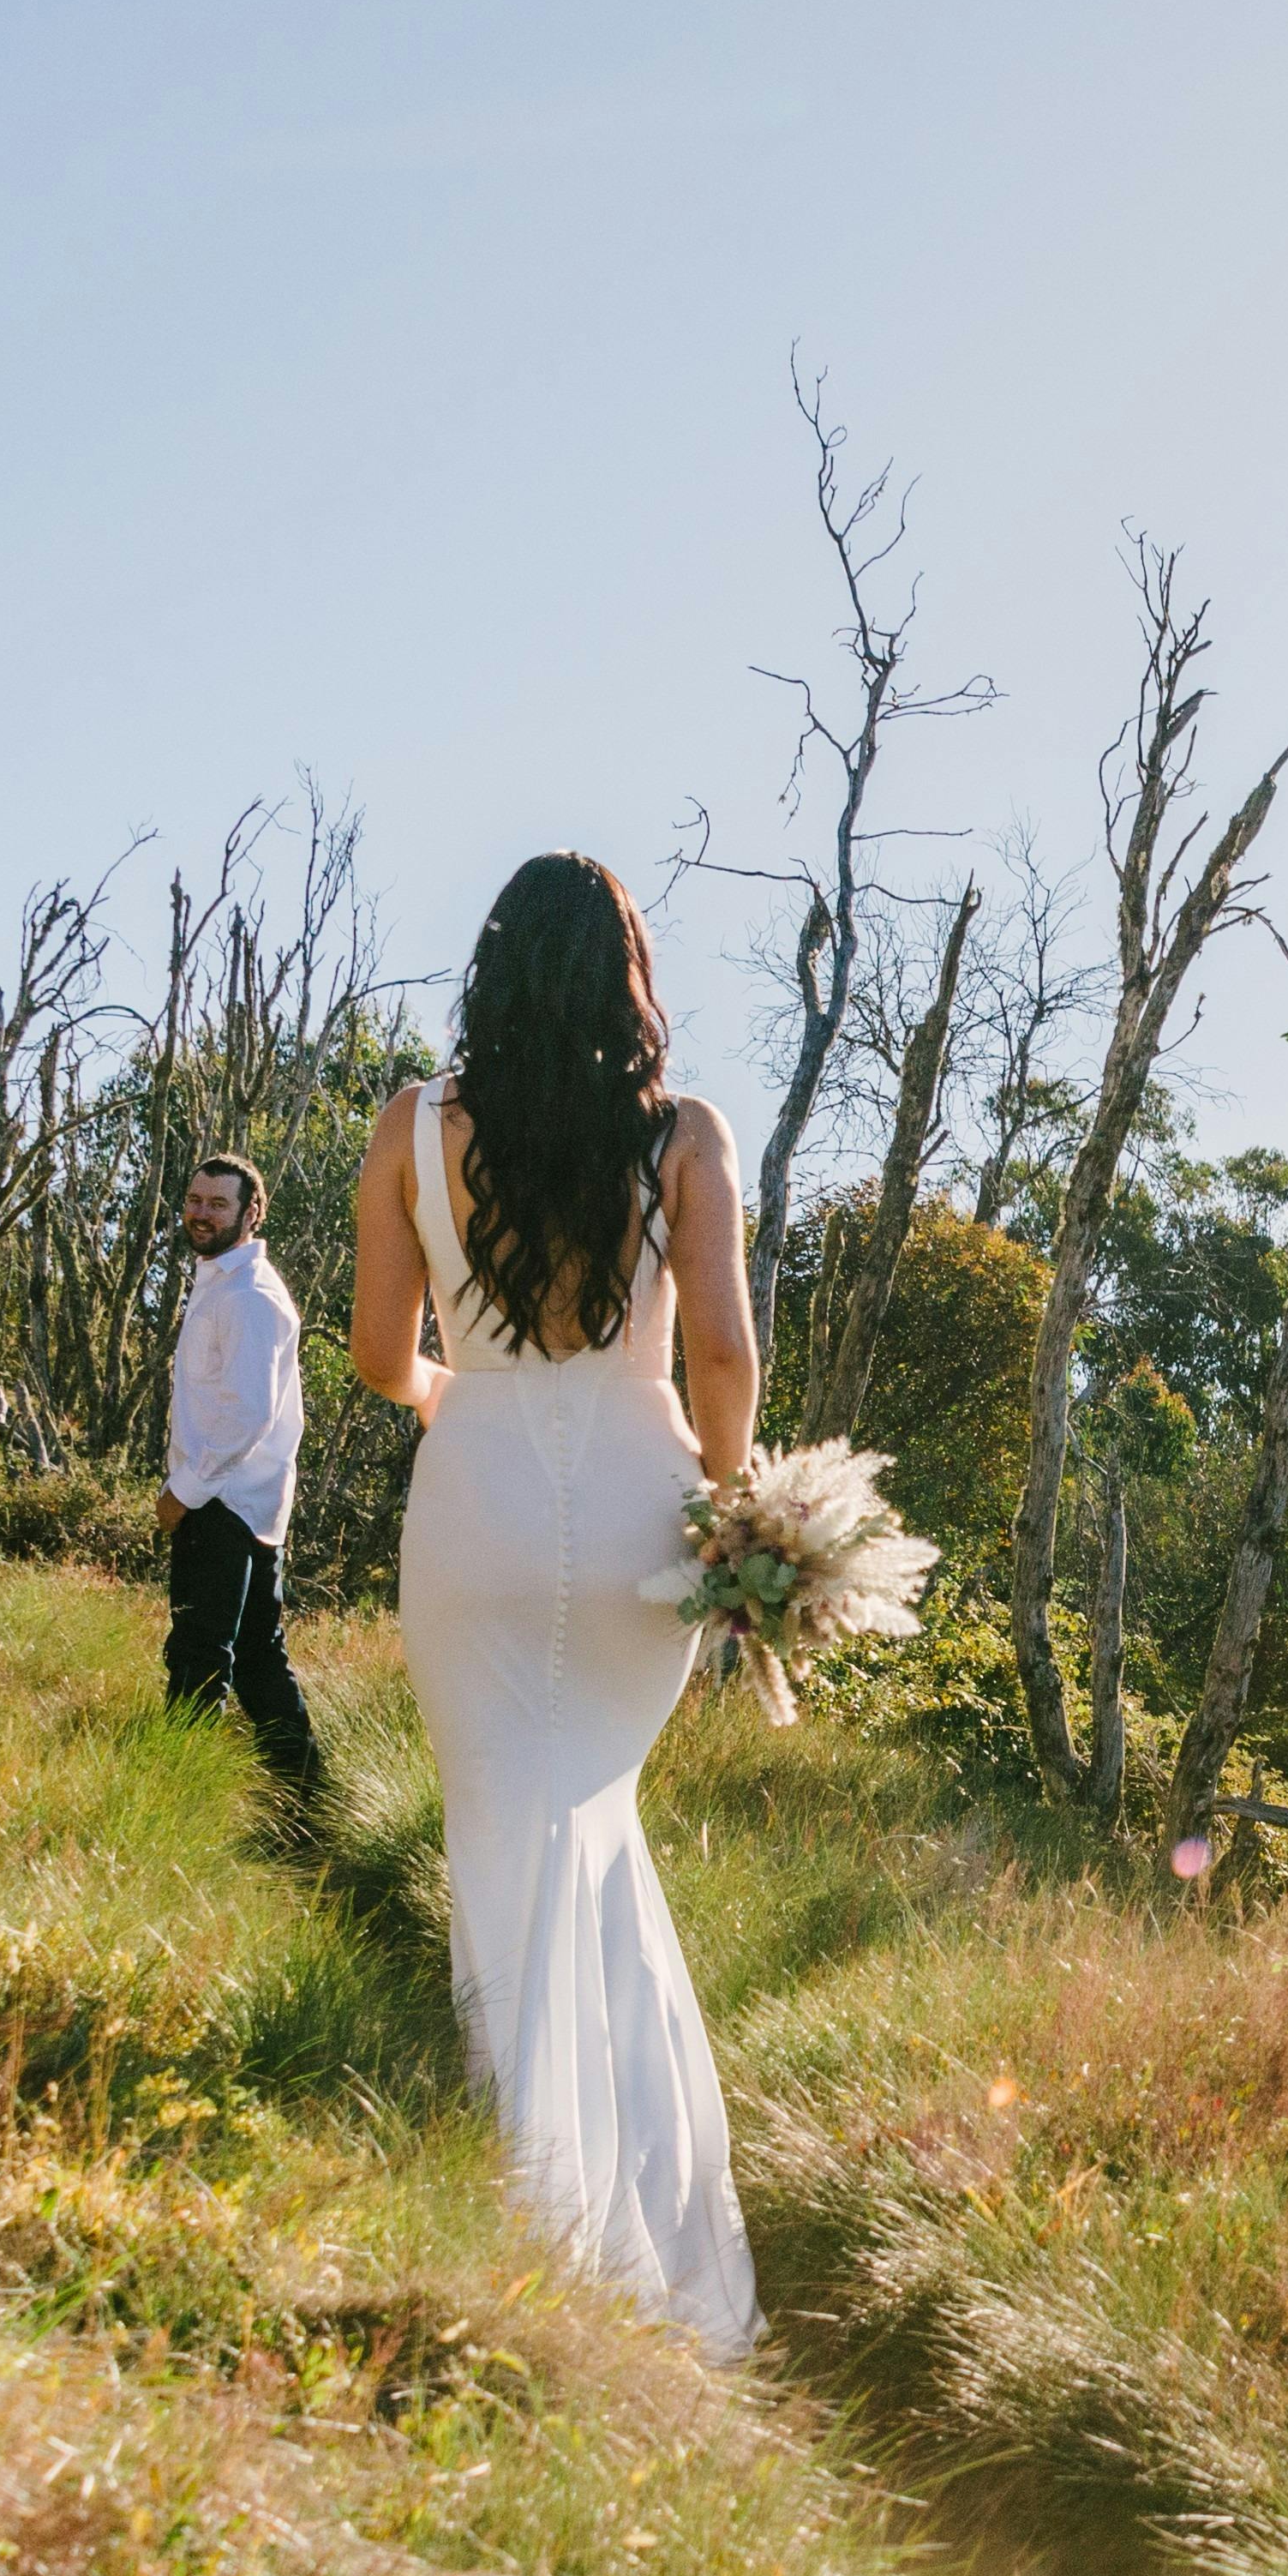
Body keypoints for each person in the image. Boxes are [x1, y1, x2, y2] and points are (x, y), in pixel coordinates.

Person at [353, 854, 761, 2362]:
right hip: (644, 1511)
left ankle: (530, 2200)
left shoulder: (409, 1126)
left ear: (497, 965)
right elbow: (717, 1352)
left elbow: (377, 1354)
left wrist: (463, 1391)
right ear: (628, 975)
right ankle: (618, 2217)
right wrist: (734, 1505)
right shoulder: (685, 1134)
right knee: (592, 1828)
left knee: (497, 1840)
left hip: (475, 1489)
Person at [157, 1150, 331, 1811]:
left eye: (218, 1204)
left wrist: (185, 1491)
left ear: (251, 1212)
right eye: (195, 1200)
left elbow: (250, 1415)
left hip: (225, 1502)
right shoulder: (220, 1283)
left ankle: (175, 1804)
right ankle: (309, 1803)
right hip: (247, 1504)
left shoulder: (251, 1296)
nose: (201, 1214)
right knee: (258, 1656)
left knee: (199, 1655)